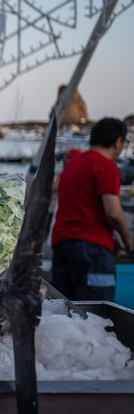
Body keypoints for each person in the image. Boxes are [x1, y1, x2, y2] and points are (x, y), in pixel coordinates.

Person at [52, 118, 133, 301]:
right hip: (93, 248)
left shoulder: (71, 166)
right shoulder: (106, 165)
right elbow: (113, 212)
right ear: (118, 141)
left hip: (62, 245)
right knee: (96, 310)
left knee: (64, 309)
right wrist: (128, 240)